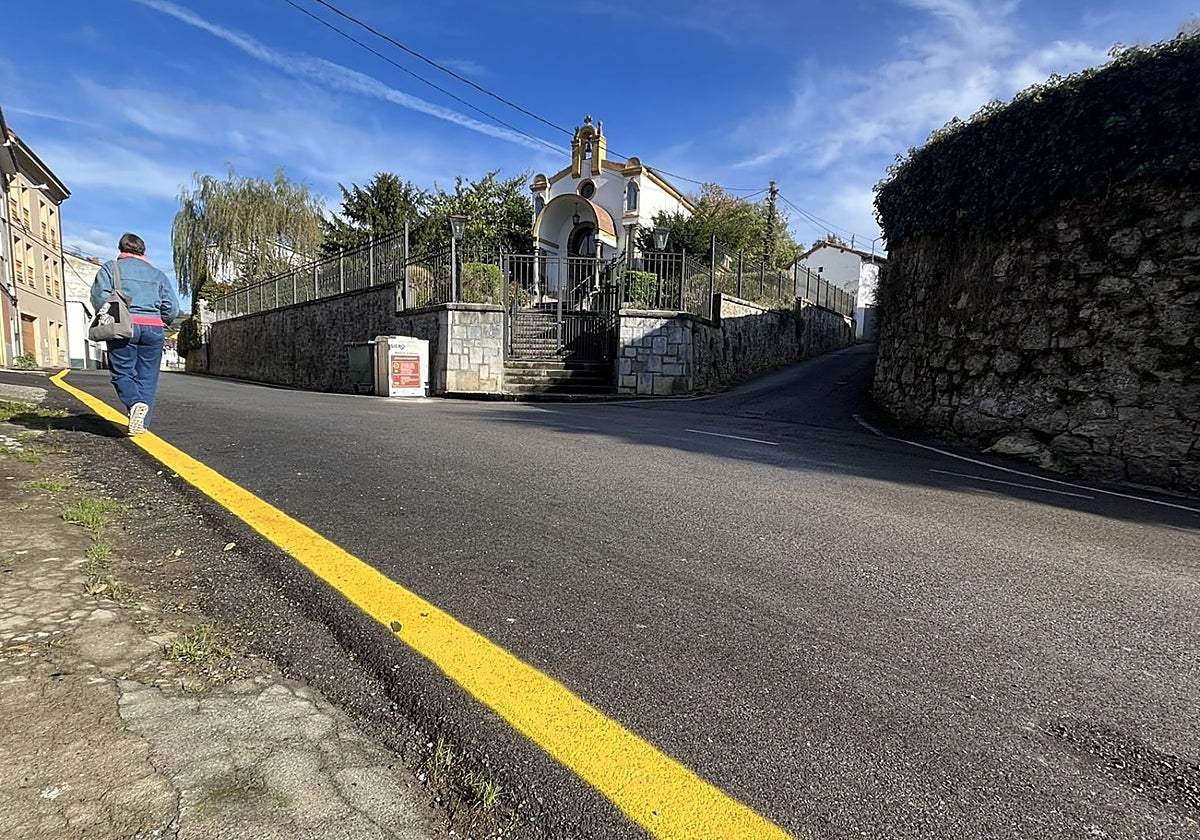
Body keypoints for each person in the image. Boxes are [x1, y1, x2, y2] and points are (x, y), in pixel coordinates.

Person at [90, 233, 181, 436]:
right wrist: (160, 320)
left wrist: (112, 316)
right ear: (143, 250)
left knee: (122, 372)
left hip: (124, 327)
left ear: (121, 248)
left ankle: (134, 402)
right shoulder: (158, 275)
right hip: (154, 329)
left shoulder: (111, 268)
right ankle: (141, 424)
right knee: (147, 377)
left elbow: (99, 298)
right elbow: (172, 307)